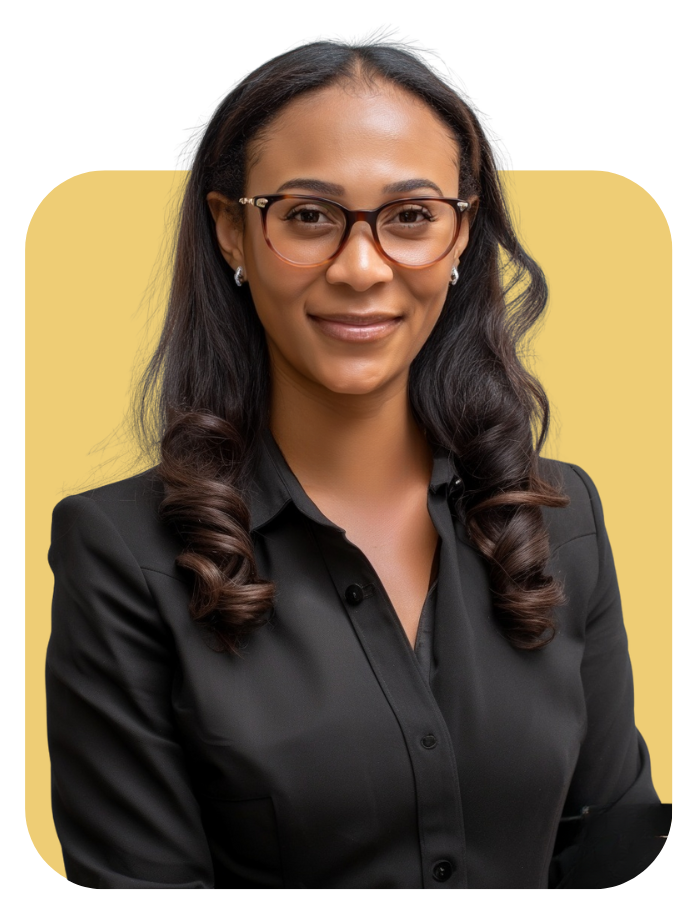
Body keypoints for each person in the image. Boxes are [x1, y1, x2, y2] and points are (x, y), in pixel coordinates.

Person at [45, 27, 668, 890]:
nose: (362, 266)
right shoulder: (119, 551)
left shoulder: (561, 515)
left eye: (410, 216)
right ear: (232, 232)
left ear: (460, 235)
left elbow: (615, 843)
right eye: (307, 216)